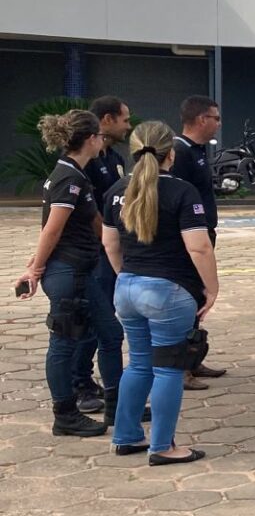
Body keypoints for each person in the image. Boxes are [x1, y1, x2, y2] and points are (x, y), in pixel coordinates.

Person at [102, 121, 218, 464]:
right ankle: (163, 446)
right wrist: (211, 289)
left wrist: (125, 276)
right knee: (168, 368)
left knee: (138, 364)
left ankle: (125, 436)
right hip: (168, 290)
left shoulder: (117, 190)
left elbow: (110, 243)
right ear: (172, 153)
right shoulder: (182, 192)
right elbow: (199, 248)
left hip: (127, 288)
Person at [13, 110, 121, 437]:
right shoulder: (69, 178)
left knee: (111, 334)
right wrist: (34, 267)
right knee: (63, 343)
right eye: (100, 136)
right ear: (91, 139)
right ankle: (65, 415)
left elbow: (96, 224)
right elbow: (52, 230)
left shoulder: (75, 174)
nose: (103, 140)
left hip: (80, 270)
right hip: (68, 273)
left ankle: (118, 407)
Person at [70, 96, 133, 419]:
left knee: (106, 320)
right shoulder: (84, 163)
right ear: (106, 120)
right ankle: (79, 383)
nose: (128, 125)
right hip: (92, 252)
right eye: (124, 119)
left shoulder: (114, 157)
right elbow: (91, 210)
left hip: (111, 250)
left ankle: (107, 387)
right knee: (93, 321)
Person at [170, 95, 224, 389]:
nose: (218, 123)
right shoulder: (181, 153)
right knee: (188, 298)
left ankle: (193, 358)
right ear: (202, 119)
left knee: (197, 300)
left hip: (205, 229)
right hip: (189, 237)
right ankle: (181, 369)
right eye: (215, 118)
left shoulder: (199, 151)